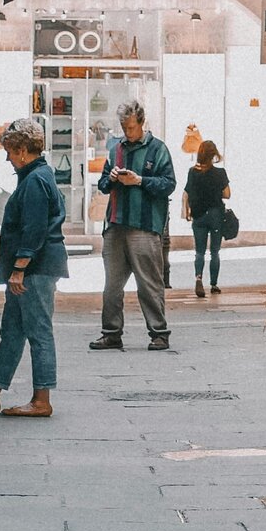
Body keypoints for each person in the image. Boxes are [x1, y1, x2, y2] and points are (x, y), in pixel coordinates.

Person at [0, 118, 66, 416]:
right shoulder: (36, 176)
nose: (7, 157)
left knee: (38, 331)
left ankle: (41, 400)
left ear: (23, 149)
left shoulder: (35, 180)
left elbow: (35, 229)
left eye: (10, 151)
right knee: (12, 330)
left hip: (35, 269)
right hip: (33, 267)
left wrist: (20, 267)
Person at [92, 99, 175, 350]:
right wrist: (113, 178)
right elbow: (103, 184)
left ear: (141, 123)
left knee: (149, 283)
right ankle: (111, 333)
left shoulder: (158, 149)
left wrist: (140, 181)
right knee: (112, 285)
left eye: (131, 127)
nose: (127, 132)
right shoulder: (115, 149)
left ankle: (159, 333)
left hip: (144, 226)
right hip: (116, 224)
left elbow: (168, 184)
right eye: (124, 127)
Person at [183, 139, 232, 299]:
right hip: (216, 215)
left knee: (199, 252)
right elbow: (227, 194)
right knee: (215, 252)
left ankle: (198, 278)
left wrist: (187, 210)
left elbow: (187, 192)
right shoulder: (220, 173)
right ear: (213, 155)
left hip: (198, 215)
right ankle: (214, 284)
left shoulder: (192, 172)